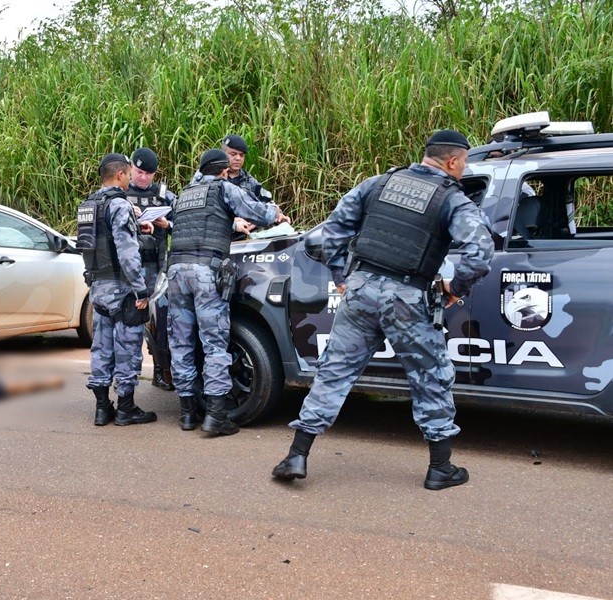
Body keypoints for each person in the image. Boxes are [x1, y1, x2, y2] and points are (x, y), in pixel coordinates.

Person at [270, 129, 494, 490]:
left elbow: (333, 231)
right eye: (464, 163)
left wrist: (342, 275)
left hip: (360, 290)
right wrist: (456, 288)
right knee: (430, 375)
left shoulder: (378, 183)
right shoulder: (452, 199)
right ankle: (440, 468)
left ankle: (296, 455)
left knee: (334, 372)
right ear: (452, 161)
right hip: (406, 297)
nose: (464, 170)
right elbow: (480, 253)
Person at [168, 149, 291, 435]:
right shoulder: (224, 188)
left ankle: (187, 413)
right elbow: (256, 211)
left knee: (182, 343)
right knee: (214, 345)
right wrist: (277, 215)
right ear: (224, 170)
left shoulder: (185, 193)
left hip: (176, 271)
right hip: (205, 272)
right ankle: (215, 416)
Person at [76, 153, 158, 426]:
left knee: (101, 347)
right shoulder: (119, 204)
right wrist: (141, 290)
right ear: (121, 174)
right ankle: (125, 408)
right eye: (128, 174)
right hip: (122, 288)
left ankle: (102, 408)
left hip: (97, 287)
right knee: (127, 346)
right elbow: (126, 252)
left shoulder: (89, 204)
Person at [126, 147, 177, 391]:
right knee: (131, 322)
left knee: (160, 322)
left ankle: (160, 371)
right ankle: (127, 376)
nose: (143, 178)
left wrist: (167, 223)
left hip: (159, 266)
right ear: (130, 169)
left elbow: (187, 221)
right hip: (130, 269)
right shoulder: (120, 192)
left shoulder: (164, 195)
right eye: (139, 172)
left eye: (149, 173)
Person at [221, 134, 273, 237]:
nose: (238, 158)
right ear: (223, 154)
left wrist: (277, 215)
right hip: (219, 235)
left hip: (245, 238)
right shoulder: (211, 177)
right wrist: (232, 221)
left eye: (241, 155)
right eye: (233, 154)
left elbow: (268, 203)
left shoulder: (250, 181)